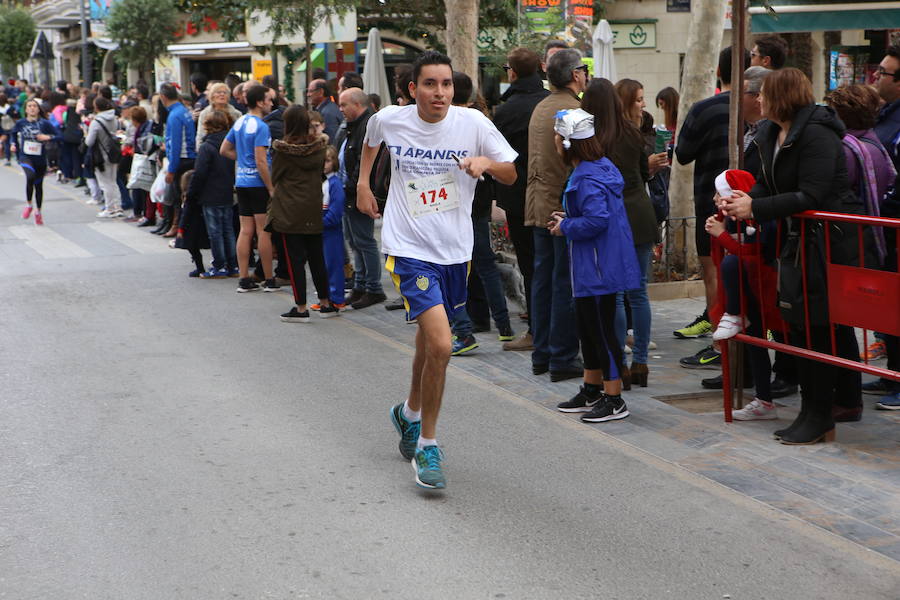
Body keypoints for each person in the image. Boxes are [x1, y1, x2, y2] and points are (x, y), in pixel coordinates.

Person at [356, 51, 517, 490]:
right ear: (413, 89)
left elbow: (511, 172)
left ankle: (407, 413)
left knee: (429, 340)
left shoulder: (473, 124)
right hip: (408, 247)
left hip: (455, 250)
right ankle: (428, 444)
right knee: (444, 345)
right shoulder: (391, 118)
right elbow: (371, 140)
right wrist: (363, 182)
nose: (439, 93)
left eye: (446, 84)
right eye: (430, 84)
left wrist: (486, 164)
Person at [721, 68, 863, 444]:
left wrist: (757, 208)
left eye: (765, 93)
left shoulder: (817, 133)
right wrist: (743, 201)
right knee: (798, 327)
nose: (759, 99)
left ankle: (821, 413)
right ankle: (811, 410)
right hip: (793, 242)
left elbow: (812, 195)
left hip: (824, 244)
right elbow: (767, 183)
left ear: (782, 96)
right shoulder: (769, 133)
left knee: (817, 327)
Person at [550, 108, 639, 422]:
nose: (555, 142)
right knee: (589, 331)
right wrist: (570, 221)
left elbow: (597, 220)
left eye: (557, 137)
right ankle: (592, 388)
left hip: (598, 268)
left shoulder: (587, 175)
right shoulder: (595, 168)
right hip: (596, 265)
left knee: (601, 334)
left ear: (568, 142)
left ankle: (613, 398)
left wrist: (567, 227)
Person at [674, 47, 748, 363]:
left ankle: (722, 344)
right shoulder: (757, 108)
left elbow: (682, 153)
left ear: (719, 70)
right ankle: (750, 338)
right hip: (753, 204)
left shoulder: (703, 110)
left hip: (711, 203)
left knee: (714, 271)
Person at [525, 48, 588, 382]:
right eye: (584, 68)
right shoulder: (574, 109)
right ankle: (561, 357)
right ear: (575, 74)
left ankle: (543, 353)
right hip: (560, 206)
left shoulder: (542, 106)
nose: (586, 74)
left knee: (543, 280)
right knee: (562, 282)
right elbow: (581, 157)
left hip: (538, 202)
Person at [447, 71, 515, 355]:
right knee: (484, 266)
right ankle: (503, 326)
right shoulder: (480, 120)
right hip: (479, 205)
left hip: (458, 206)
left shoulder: (455, 124)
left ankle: (465, 329)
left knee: (458, 268)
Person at [493, 46, 550, 352]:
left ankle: (538, 330)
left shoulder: (504, 112)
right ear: (541, 67)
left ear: (512, 73)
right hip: (552, 195)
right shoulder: (551, 103)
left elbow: (496, 157)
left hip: (518, 198)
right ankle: (551, 328)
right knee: (552, 265)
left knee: (531, 266)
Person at [268, 104, 338, 322]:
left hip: (289, 210)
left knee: (294, 260)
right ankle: (326, 304)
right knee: (317, 257)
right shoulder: (318, 148)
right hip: (312, 206)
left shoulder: (281, 150)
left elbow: (275, 176)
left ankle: (300, 308)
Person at [220, 83, 277, 293]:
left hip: (242, 181)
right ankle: (269, 279)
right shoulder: (262, 126)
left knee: (245, 230)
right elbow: (262, 161)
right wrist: (270, 187)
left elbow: (224, 150)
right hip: (258, 184)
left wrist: (244, 162)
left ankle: (244, 278)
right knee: (264, 232)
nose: (271, 103)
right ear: (260, 102)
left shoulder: (239, 122)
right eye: (269, 100)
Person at [334, 87, 387, 309]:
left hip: (358, 193)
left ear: (357, 104)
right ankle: (361, 284)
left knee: (364, 241)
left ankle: (373, 288)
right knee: (355, 241)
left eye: (344, 105)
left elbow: (365, 162)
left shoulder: (367, 125)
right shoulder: (354, 125)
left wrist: (356, 186)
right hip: (348, 192)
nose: (341, 109)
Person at [869, 44, 900, 409]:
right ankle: (892, 371)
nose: (876, 77)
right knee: (887, 306)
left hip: (893, 223)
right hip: (884, 228)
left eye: (883, 73)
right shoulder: (884, 114)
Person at [187, 109, 237, 278]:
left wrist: (192, 192)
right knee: (228, 230)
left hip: (210, 194)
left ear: (208, 126)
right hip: (227, 192)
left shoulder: (206, 147)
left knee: (215, 232)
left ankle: (219, 266)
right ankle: (232, 265)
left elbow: (199, 173)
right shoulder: (230, 144)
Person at [11, 98, 60, 225]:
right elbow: (13, 134)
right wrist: (13, 144)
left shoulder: (44, 123)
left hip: (40, 158)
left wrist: (48, 137)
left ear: (38, 109)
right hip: (25, 156)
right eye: (30, 106)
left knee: (38, 185)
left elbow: (60, 136)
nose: (32, 108)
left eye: (34, 106)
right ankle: (28, 205)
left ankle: (38, 211)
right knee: (30, 176)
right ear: (26, 109)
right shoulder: (21, 123)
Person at [159, 83, 197, 236]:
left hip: (181, 160)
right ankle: (179, 228)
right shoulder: (184, 111)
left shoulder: (174, 115)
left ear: (163, 97)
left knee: (178, 198)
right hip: (189, 157)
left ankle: (180, 229)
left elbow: (175, 144)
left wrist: (172, 169)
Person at [317, 145, 346, 308]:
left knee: (333, 265)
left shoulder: (335, 183)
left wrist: (321, 223)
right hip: (322, 228)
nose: (324, 164)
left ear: (334, 162)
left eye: (327, 161)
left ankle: (337, 298)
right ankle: (326, 298)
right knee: (323, 265)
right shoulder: (323, 181)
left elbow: (335, 213)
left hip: (331, 231)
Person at [85, 96, 124, 218]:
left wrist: (86, 133)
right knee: (113, 181)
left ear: (96, 107)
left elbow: (89, 142)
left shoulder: (96, 122)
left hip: (100, 156)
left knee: (104, 183)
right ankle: (118, 207)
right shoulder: (115, 119)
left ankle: (110, 208)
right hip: (114, 153)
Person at [175, 169, 209, 276]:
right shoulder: (201, 196)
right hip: (200, 225)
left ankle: (200, 268)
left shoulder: (188, 199)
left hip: (190, 228)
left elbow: (185, 215)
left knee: (193, 249)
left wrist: (180, 229)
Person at [195, 82, 242, 147]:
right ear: (212, 96)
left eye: (225, 92)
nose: (222, 94)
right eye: (218, 92)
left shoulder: (237, 114)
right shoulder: (205, 113)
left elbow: (240, 136)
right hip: (210, 149)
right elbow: (200, 135)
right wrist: (200, 150)